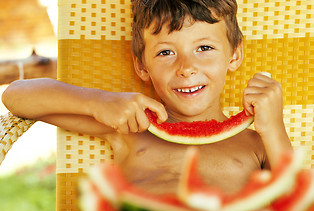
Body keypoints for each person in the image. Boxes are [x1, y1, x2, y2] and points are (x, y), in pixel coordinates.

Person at [2, 0, 292, 195]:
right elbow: (17, 96)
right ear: (141, 65)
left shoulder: (257, 144)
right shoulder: (133, 128)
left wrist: (273, 128)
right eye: (165, 52)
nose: (187, 68)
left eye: (204, 48)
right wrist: (97, 102)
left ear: (235, 54)